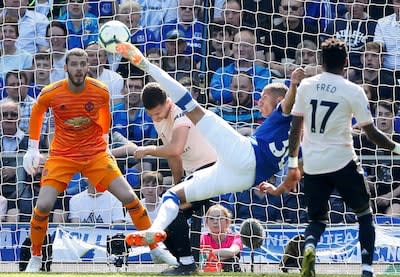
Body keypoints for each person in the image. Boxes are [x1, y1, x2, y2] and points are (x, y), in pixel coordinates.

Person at [114, 41, 299, 264]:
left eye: (264, 99)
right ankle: (161, 238)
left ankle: (146, 65)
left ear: (279, 101)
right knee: (173, 195)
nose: (258, 103)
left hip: (245, 154)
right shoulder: (301, 140)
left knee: (190, 106)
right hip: (243, 178)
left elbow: (288, 104)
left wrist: (295, 84)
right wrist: (276, 189)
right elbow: (295, 176)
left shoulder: (284, 114)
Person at [265, 38, 400, 277]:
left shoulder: (306, 85)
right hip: (342, 161)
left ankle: (309, 247)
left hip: (314, 164)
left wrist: (294, 164)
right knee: (364, 215)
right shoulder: (353, 90)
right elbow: (372, 134)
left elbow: (295, 128)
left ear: (320, 61)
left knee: (317, 219)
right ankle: (367, 271)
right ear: (347, 61)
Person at [21, 48, 176, 272]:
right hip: (62, 156)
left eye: (82, 64)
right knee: (43, 205)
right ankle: (36, 257)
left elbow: (104, 113)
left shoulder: (100, 91)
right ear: (65, 67)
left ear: (88, 67)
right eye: (74, 64)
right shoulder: (51, 92)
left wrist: (104, 138)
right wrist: (32, 148)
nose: (78, 68)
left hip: (94, 154)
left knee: (130, 198)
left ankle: (155, 248)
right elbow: (37, 111)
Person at [132, 79, 218, 275]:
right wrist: (177, 183)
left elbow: (176, 147)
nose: (156, 117)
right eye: (152, 114)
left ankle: (187, 265)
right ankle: (183, 263)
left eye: (158, 112)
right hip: (194, 175)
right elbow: (174, 155)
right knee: (168, 210)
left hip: (212, 170)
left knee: (173, 211)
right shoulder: (159, 118)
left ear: (168, 102)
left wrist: (147, 150)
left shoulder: (181, 111)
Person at [200, 204, 242, 272]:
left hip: (230, 274)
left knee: (232, 260)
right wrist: (223, 255)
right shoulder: (202, 238)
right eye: (211, 218)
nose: (215, 222)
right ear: (206, 222)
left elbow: (232, 252)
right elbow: (198, 256)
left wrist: (210, 254)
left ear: (227, 221)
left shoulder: (235, 237)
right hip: (207, 272)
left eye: (219, 218)